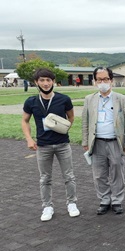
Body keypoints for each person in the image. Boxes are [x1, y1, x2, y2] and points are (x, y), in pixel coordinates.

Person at [21, 68, 79, 222]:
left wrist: (64, 128)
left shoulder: (64, 99)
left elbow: (71, 117)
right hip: (43, 146)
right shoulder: (31, 102)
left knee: (69, 176)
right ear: (36, 82)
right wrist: (29, 138)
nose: (46, 83)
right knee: (45, 178)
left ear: (53, 81)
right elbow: (24, 120)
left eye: (48, 80)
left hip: (62, 144)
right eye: (42, 80)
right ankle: (47, 206)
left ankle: (72, 203)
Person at [82, 67, 125, 215]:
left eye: (105, 79)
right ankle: (104, 199)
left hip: (115, 142)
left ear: (111, 80)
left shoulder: (122, 99)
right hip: (97, 141)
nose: (102, 82)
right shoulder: (89, 99)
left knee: (117, 171)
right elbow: (85, 122)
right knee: (99, 174)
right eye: (99, 80)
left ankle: (117, 200)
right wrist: (85, 141)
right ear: (94, 82)